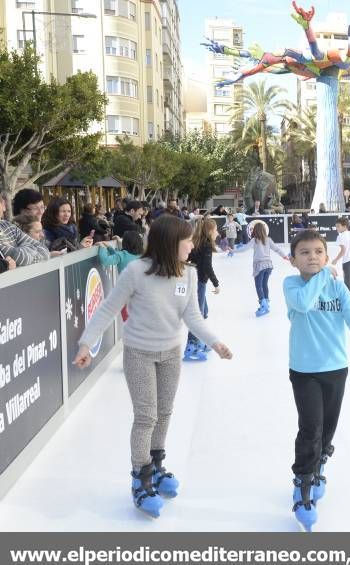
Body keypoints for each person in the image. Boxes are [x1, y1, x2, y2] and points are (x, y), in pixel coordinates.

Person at [73, 215, 233, 518]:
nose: (191, 244)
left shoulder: (188, 274)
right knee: (146, 416)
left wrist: (214, 342)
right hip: (139, 353)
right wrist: (86, 343)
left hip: (171, 353)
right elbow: (108, 307)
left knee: (164, 413)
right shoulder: (136, 272)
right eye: (186, 240)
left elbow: (193, 317)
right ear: (170, 242)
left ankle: (157, 466)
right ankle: (141, 477)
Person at [283, 229, 350, 531]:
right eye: (305, 253)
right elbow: (303, 304)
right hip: (304, 370)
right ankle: (303, 482)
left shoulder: (338, 289)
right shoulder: (292, 285)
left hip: (336, 368)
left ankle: (320, 461)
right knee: (310, 426)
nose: (313, 257)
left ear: (327, 255)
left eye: (318, 252)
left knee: (328, 427)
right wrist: (324, 274)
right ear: (293, 260)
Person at [184, 217, 221, 361]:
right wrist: (216, 283)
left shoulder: (198, 242)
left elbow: (189, 259)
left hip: (196, 281)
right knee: (197, 315)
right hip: (199, 282)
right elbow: (207, 266)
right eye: (216, 230)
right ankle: (191, 345)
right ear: (210, 231)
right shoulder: (205, 245)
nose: (217, 233)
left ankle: (201, 340)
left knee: (204, 312)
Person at [241, 221, 289, 316]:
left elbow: (244, 249)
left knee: (258, 286)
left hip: (259, 266)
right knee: (264, 285)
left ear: (255, 230)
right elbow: (277, 249)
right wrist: (284, 256)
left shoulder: (254, 240)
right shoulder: (268, 239)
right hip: (268, 265)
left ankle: (263, 306)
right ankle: (266, 303)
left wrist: (233, 250)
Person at [97, 231, 145, 322]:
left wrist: (102, 247)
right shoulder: (141, 256)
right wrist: (110, 248)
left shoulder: (122, 255)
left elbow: (106, 260)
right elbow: (117, 255)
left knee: (128, 323)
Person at [0, 195, 49, 267]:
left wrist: (23, 249)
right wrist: (28, 248)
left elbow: (45, 252)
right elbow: (17, 257)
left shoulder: (8, 226)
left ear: (3, 205)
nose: (42, 235)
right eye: (37, 232)